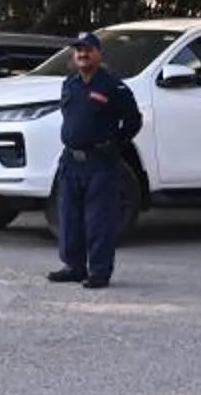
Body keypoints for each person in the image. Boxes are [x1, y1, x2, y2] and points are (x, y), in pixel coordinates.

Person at [49, 31, 143, 289]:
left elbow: (134, 121)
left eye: (88, 49)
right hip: (71, 161)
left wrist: (115, 144)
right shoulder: (69, 84)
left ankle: (99, 272)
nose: (82, 53)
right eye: (78, 49)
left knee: (99, 220)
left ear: (99, 53)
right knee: (69, 217)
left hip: (100, 163)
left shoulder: (114, 86)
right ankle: (74, 266)